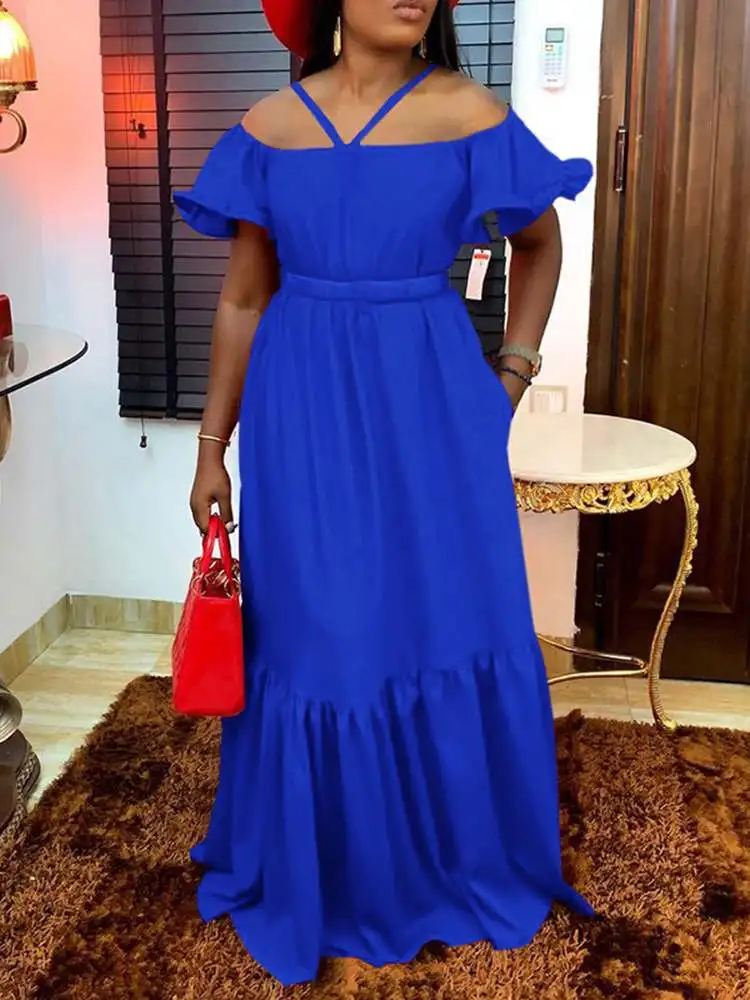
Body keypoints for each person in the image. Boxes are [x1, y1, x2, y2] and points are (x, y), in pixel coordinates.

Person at [175, 0, 594, 986]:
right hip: (302, 411)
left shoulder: (470, 115)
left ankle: (446, 851)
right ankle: (331, 865)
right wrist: (211, 448)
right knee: (321, 634)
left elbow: (541, 244)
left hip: (434, 406)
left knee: (439, 620)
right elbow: (243, 296)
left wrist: (510, 377)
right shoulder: (270, 128)